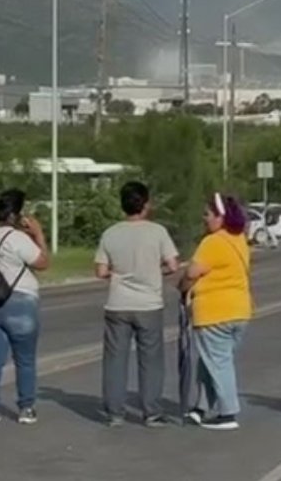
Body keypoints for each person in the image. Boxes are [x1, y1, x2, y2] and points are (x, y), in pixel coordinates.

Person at [95, 181, 179, 428]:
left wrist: (119, 274)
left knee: (115, 359)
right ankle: (151, 411)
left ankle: (115, 412)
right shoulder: (157, 232)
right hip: (149, 304)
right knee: (151, 359)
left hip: (118, 303)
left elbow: (101, 271)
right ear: (146, 204)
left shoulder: (110, 233)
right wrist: (154, 271)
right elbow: (173, 265)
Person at [0, 189, 49, 426]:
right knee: (25, 359)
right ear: (15, 215)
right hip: (21, 301)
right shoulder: (18, 239)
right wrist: (38, 234)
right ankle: (26, 408)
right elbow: (43, 263)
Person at [180, 193, 252, 431]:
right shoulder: (239, 239)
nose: (205, 219)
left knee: (219, 363)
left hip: (215, 312)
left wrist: (182, 288)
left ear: (220, 217)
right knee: (211, 361)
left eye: (208, 214)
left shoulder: (212, 242)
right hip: (239, 311)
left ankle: (228, 413)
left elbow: (192, 272)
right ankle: (200, 408)